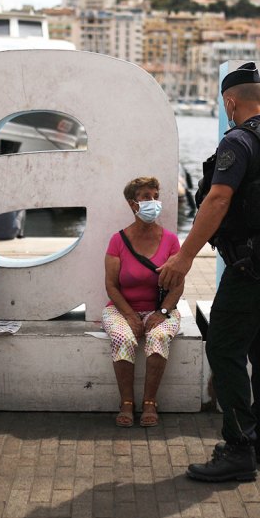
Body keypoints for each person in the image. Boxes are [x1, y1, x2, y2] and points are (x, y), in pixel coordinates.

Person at [158, 62, 260, 483]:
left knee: (224, 347)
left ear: (231, 101)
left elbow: (217, 200)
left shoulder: (239, 141)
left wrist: (184, 256)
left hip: (252, 264)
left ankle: (238, 447)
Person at [102, 177, 184, 428]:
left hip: (162, 308)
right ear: (133, 204)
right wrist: (129, 314)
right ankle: (127, 402)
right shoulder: (118, 240)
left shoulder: (170, 240)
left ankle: (150, 402)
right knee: (123, 338)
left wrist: (162, 311)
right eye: (146, 197)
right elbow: (111, 286)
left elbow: (178, 284)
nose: (152, 202)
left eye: (155, 196)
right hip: (120, 309)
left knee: (158, 337)